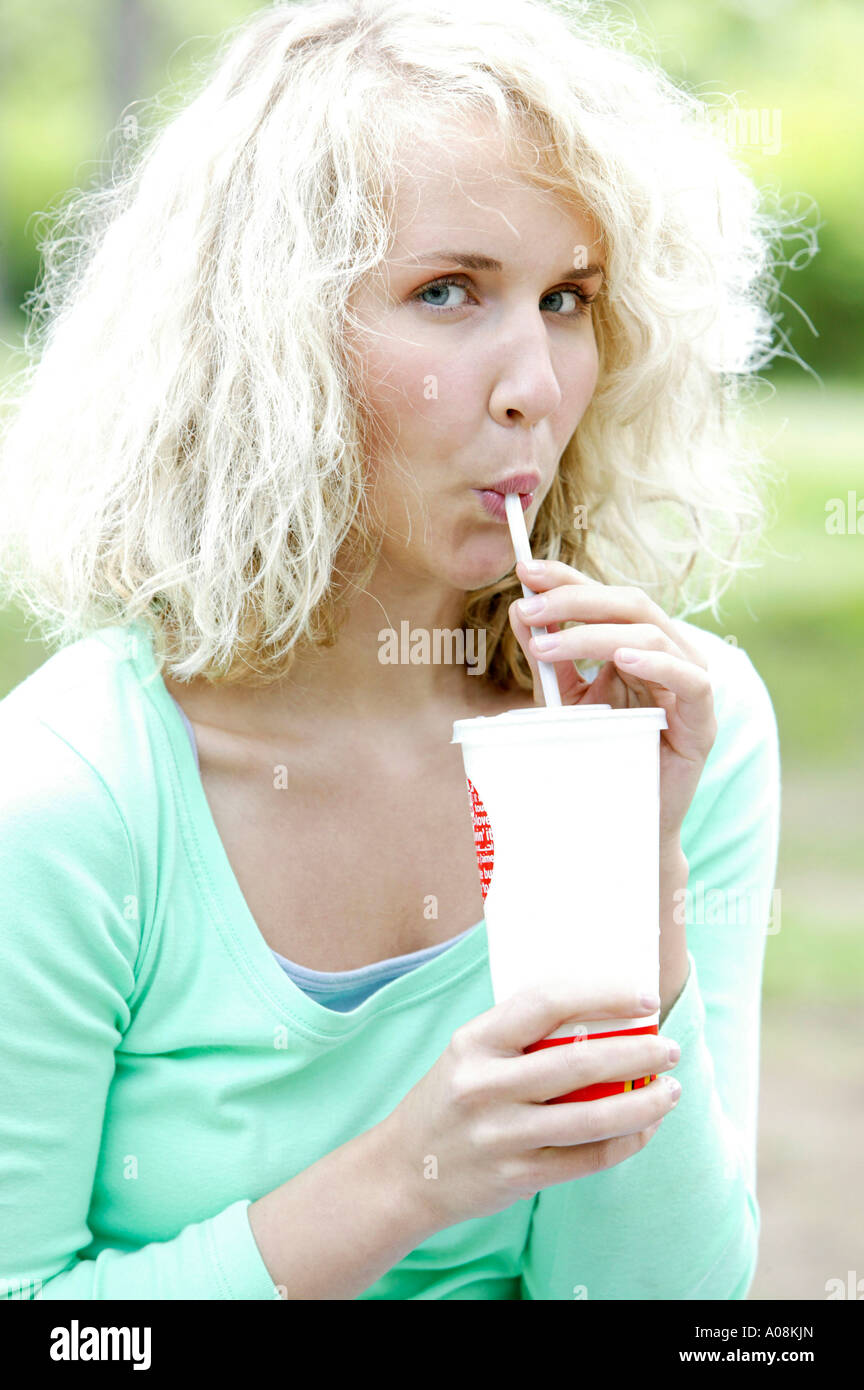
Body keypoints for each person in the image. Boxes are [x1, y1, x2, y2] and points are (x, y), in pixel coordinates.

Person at [0, 0, 792, 1300]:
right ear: (272, 346)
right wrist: (409, 1174)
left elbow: (664, 1307)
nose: (534, 379)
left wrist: (634, 895)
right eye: (448, 292)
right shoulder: (68, 800)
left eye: (570, 298)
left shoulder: (669, 732)